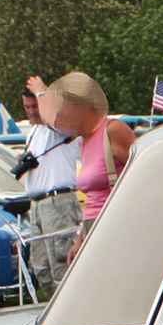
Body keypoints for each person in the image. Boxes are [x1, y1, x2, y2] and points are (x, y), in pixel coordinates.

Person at [42, 72, 132, 263]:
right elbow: (92, 200)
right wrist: (79, 240)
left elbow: (143, 176)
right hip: (91, 226)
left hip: (114, 224)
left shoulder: (113, 130)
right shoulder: (83, 142)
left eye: (62, 110)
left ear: (80, 107)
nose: (60, 117)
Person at [16, 77, 82, 295]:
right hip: (37, 206)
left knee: (61, 263)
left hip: (58, 202)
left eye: (35, 106)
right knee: (42, 267)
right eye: (28, 107)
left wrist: (42, 91)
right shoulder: (35, 132)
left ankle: (71, 311)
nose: (32, 112)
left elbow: (55, 118)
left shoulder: (60, 126)